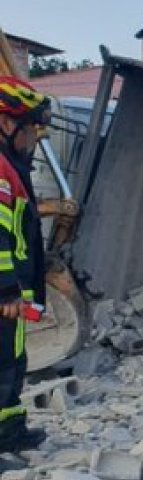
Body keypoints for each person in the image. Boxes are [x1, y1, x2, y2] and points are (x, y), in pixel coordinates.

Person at [0, 77, 50, 452]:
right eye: (32, 128)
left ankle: (9, 429)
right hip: (4, 294)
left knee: (11, 361)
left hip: (12, 296)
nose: (35, 137)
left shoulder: (13, 168)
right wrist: (6, 287)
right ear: (6, 122)